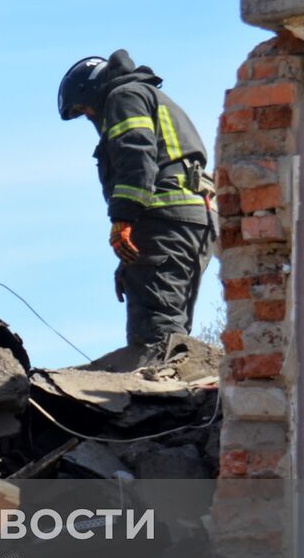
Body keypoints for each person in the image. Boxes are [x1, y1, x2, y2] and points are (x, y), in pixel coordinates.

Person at [58, 49, 217, 365]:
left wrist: (123, 219)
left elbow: (136, 156)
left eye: (85, 109)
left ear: (92, 90)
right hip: (188, 221)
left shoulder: (124, 96)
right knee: (172, 329)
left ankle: (163, 409)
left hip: (166, 217)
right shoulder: (149, 95)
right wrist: (132, 261)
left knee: (156, 335)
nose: (89, 116)